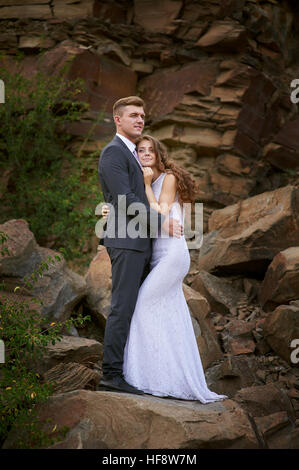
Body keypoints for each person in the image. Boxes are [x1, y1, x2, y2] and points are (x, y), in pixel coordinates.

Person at [101, 134, 228, 403]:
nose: (145, 153)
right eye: (140, 150)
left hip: (171, 254)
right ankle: (166, 374)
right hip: (156, 254)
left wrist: (147, 184)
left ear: (159, 154)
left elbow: (158, 212)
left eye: (150, 150)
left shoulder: (167, 178)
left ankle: (141, 376)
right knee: (169, 314)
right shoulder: (142, 180)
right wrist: (108, 210)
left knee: (142, 306)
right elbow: (130, 208)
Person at [98, 96, 183, 396]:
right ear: (117, 119)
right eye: (133, 115)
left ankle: (138, 371)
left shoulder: (133, 154)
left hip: (139, 241)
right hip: (126, 241)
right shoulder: (113, 153)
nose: (140, 119)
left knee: (136, 307)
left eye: (143, 115)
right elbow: (124, 200)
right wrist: (161, 223)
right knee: (122, 308)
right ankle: (110, 375)